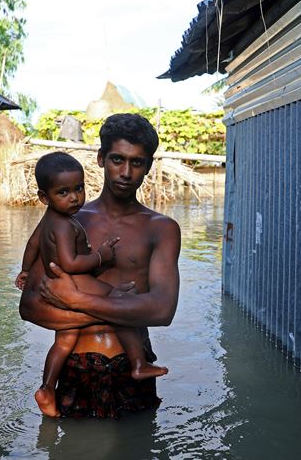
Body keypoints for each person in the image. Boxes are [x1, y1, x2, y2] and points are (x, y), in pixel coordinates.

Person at [19, 113, 181, 419]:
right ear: (100, 158)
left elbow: (162, 310)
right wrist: (121, 309)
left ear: (147, 167)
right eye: (117, 159)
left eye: (137, 162)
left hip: (133, 366)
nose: (125, 172)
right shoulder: (66, 222)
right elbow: (30, 307)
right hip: (76, 364)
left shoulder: (162, 229)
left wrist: (77, 300)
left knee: (137, 448)